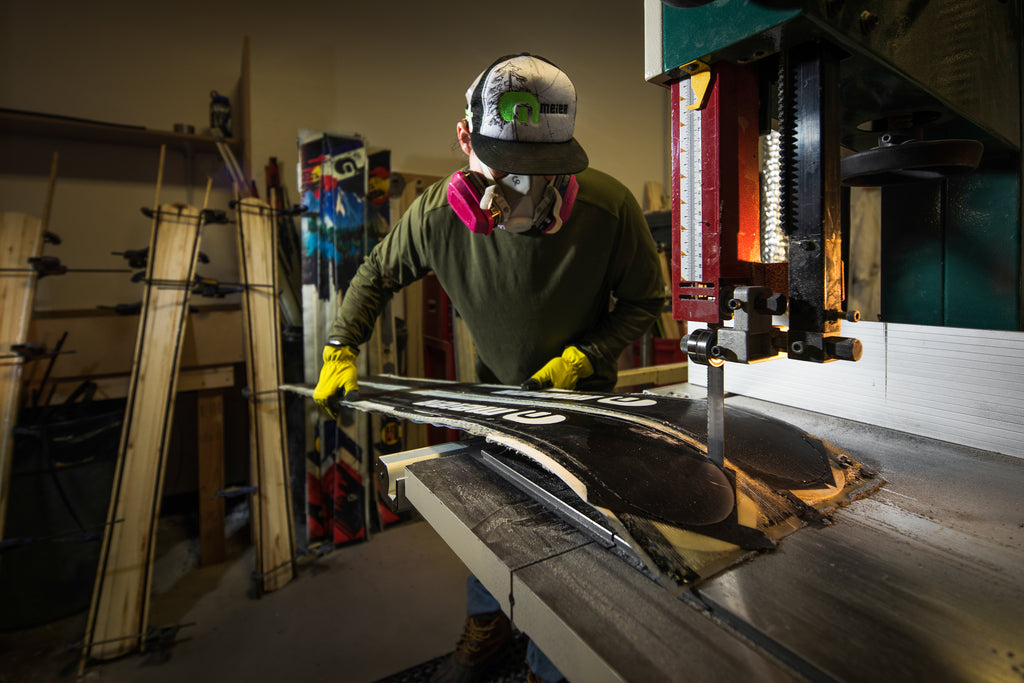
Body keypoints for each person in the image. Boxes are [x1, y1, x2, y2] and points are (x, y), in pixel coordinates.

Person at [313, 53, 665, 683]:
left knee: (566, 551)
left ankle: (547, 666)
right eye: (503, 169)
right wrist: (341, 346)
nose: (519, 192)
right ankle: (489, 627)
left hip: (581, 410)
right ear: (464, 139)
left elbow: (646, 303)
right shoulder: (437, 217)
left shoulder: (608, 211)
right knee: (493, 527)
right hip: (493, 407)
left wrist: (587, 356)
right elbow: (376, 275)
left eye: (540, 171)